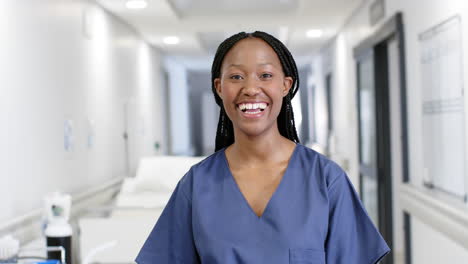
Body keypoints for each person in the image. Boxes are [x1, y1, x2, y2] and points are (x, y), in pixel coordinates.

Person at [135, 31, 390, 264]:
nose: (251, 88)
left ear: (285, 85)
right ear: (219, 88)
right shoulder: (196, 185)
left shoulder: (325, 180)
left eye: (265, 75)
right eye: (236, 77)